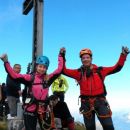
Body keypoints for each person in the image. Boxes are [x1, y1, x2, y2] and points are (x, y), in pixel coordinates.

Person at [62, 46, 129, 130]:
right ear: (81, 60)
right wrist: (62, 56)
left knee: (109, 127)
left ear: (91, 58)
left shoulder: (100, 70)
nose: (85, 59)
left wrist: (123, 55)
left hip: (100, 102)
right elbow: (63, 70)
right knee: (90, 128)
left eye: (87, 57)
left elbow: (116, 68)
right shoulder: (78, 73)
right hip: (86, 104)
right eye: (83, 58)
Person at [0, 48, 64, 130]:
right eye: (40, 66)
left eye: (44, 67)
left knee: (47, 128)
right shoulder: (30, 78)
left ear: (46, 69)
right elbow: (14, 76)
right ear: (36, 66)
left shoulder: (48, 79)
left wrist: (61, 55)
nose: (42, 69)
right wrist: (6, 62)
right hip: (30, 109)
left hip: (43, 110)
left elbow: (59, 70)